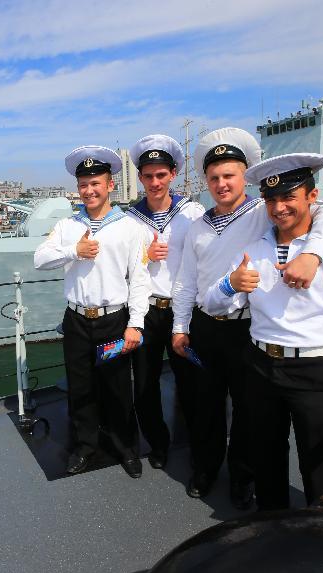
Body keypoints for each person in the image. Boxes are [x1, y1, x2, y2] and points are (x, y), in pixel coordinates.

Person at [170, 128, 323, 508]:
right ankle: (206, 469)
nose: (222, 184)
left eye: (229, 176)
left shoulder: (264, 211)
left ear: (244, 177)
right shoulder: (197, 227)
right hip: (207, 325)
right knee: (205, 406)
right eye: (214, 178)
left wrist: (313, 253)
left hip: (248, 327)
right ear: (206, 182)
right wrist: (180, 326)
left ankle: (243, 478)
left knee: (248, 414)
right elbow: (186, 280)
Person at [202, 153, 323, 509]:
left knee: (321, 464)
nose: (279, 207)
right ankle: (275, 527)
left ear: (311, 198)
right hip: (261, 366)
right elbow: (212, 305)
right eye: (271, 199)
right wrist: (230, 285)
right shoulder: (253, 251)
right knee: (265, 455)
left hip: (317, 371)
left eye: (289, 197)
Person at [34, 146, 151, 478]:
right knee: (80, 388)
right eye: (83, 184)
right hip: (76, 319)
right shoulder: (67, 226)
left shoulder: (130, 228)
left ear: (109, 185)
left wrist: (136, 325)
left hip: (114, 319)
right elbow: (39, 259)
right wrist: (74, 250)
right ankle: (85, 446)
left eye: (95, 183)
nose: (89, 190)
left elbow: (140, 280)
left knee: (117, 389)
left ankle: (127, 447)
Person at [126, 134, 204, 469]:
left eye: (161, 175)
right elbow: (121, 267)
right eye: (148, 176)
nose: (155, 182)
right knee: (144, 386)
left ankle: (198, 445)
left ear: (173, 174)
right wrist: (144, 257)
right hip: (146, 311)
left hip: (183, 311)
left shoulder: (193, 213)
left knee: (193, 384)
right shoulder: (129, 218)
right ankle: (158, 443)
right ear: (141, 178)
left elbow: (207, 255)